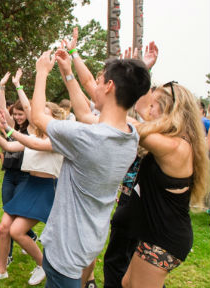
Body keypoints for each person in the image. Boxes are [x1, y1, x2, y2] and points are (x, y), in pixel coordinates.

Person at [30, 47, 150, 288]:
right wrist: (68, 73)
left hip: (66, 248)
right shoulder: (130, 135)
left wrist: (41, 72)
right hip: (90, 240)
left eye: (100, 80)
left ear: (109, 86)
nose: (95, 84)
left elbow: (37, 118)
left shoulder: (86, 137)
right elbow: (85, 114)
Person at [121, 82, 209, 288]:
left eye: (153, 106)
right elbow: (140, 111)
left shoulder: (174, 146)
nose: (147, 110)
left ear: (168, 110)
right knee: (127, 283)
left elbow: (124, 123)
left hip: (165, 239)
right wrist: (143, 70)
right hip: (155, 233)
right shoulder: (173, 139)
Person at [0, 102, 65, 286]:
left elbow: (33, 144)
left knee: (16, 231)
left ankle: (43, 264)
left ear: (54, 117)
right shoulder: (34, 136)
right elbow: (8, 145)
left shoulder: (57, 139)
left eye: (44, 114)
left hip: (46, 188)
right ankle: (1, 271)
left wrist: (8, 128)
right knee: (5, 228)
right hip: (30, 185)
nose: (39, 118)